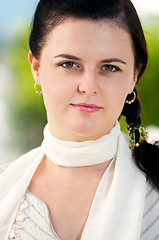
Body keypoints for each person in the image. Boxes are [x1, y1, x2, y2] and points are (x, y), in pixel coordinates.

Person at [0, 0, 159, 239]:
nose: (88, 87)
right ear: (36, 67)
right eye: (69, 64)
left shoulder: (154, 186)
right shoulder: (4, 189)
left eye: (110, 67)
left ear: (134, 75)